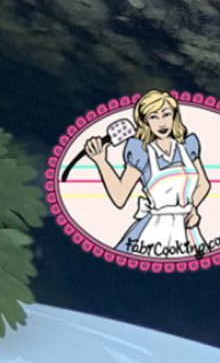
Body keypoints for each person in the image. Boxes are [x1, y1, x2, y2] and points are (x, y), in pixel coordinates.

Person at [82, 91, 212, 256]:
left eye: (166, 115)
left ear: (175, 116)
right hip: (152, 230)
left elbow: (203, 184)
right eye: (153, 117)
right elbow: (119, 196)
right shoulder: (140, 152)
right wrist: (101, 161)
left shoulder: (188, 145)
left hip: (188, 229)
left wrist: (193, 208)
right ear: (145, 122)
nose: (161, 122)